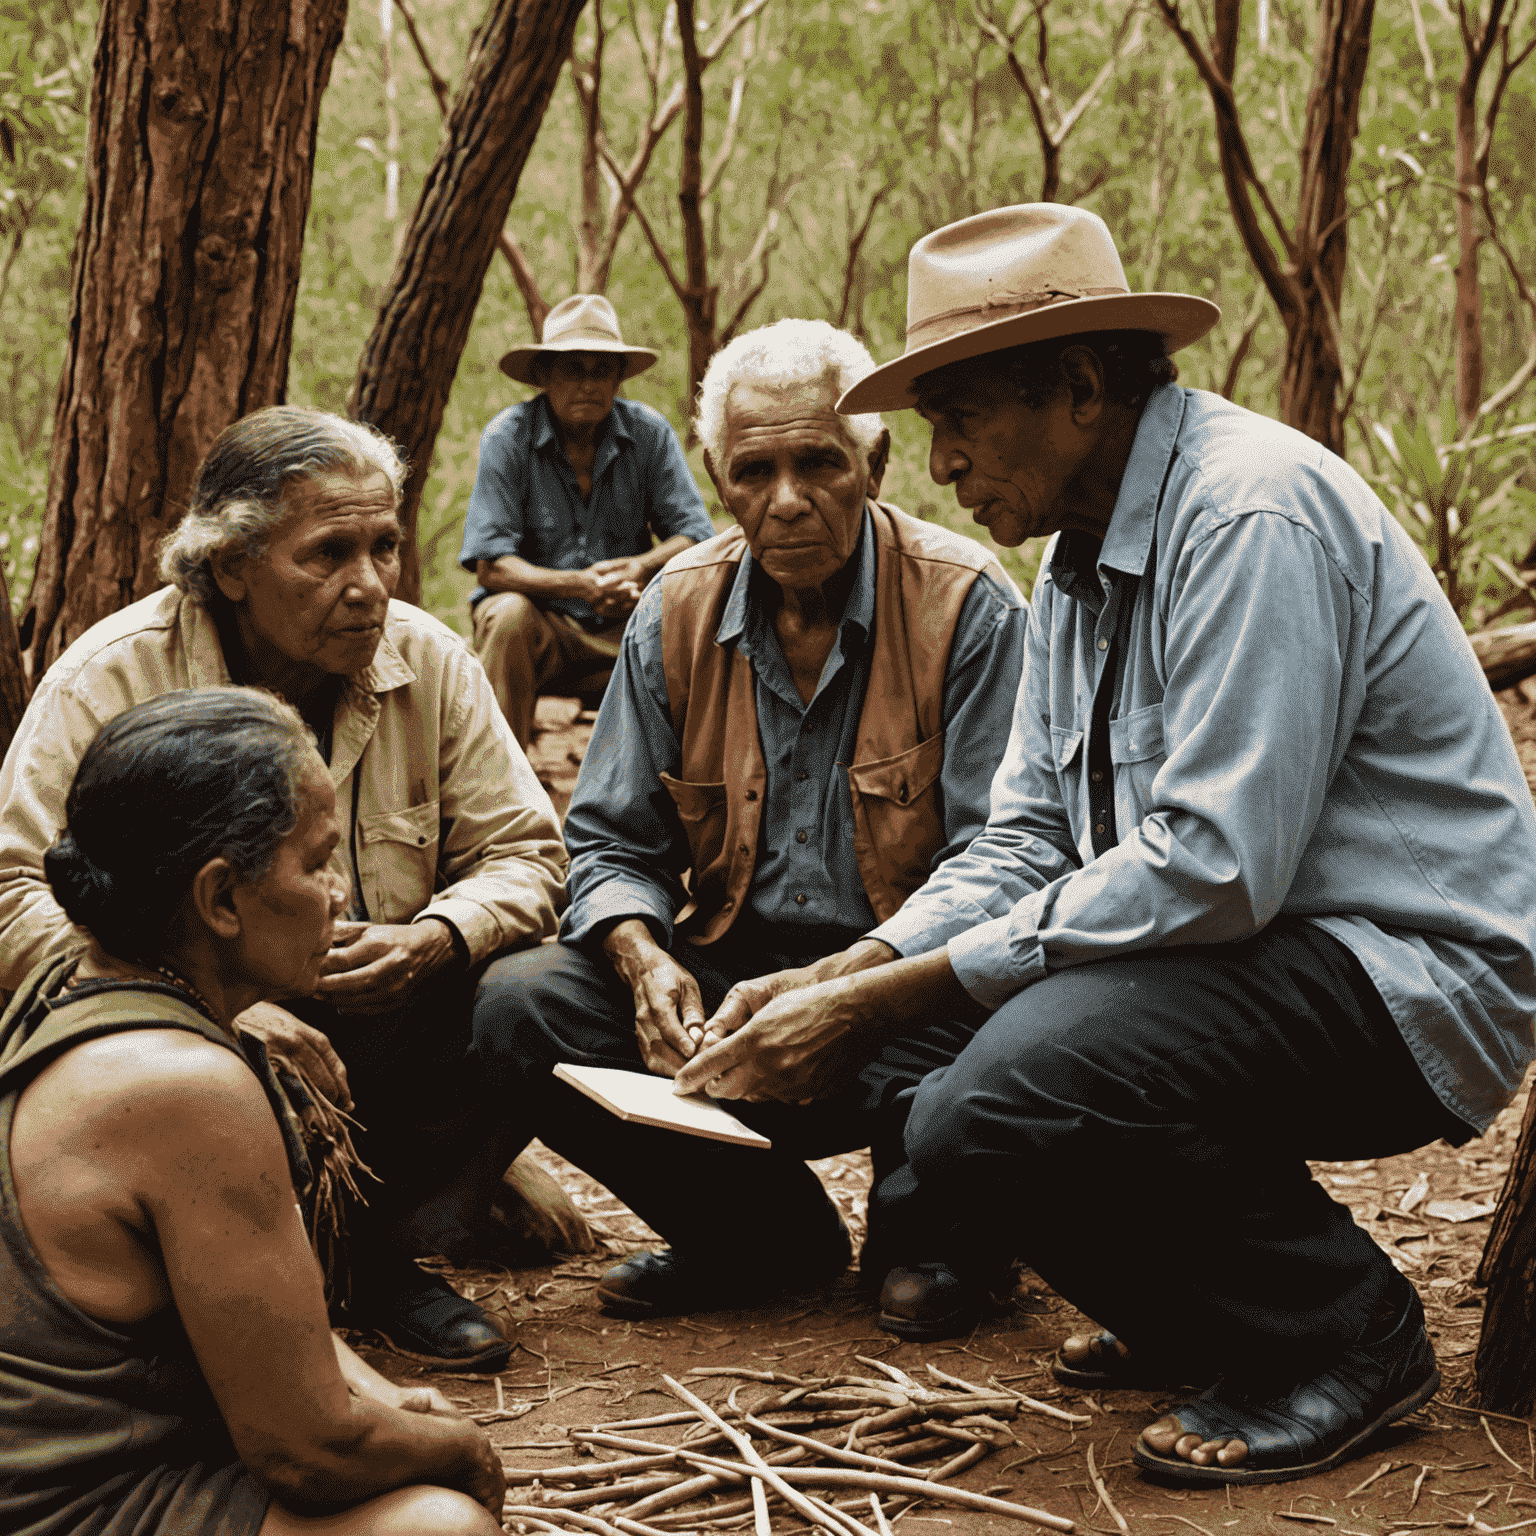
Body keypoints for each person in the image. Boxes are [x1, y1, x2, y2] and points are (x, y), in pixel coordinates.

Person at [669, 205, 1536, 1484]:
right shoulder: (1072, 566)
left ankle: (1350, 1339)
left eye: (961, 419)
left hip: (1401, 972)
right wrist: (852, 971)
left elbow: (1216, 866)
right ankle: (1205, 1319)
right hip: (1240, 964)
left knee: (1000, 1088)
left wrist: (892, 995)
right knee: (958, 1096)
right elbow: (1027, 837)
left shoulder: (1249, 517)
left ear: (1079, 387)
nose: (946, 463)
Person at [469, 318, 1029, 1328]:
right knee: (521, 1002)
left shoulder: (968, 604)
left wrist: (846, 991)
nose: (787, 500)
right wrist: (645, 963)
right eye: (754, 469)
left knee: (932, 1256)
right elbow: (607, 843)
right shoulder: (676, 608)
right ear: (716, 479)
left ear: (874, 461)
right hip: (735, 994)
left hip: (911, 989)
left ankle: (943, 1230)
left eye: (819, 462)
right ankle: (762, 1237)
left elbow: (1005, 864)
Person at [0, 406, 568, 1372]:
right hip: (172, 1047)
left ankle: (373, 1258)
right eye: (329, 554)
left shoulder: (428, 664)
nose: (371, 587)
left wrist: (435, 938)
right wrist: (198, 1011)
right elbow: (14, 894)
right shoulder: (113, 679)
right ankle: (206, 1286)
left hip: (375, 1019)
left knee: (532, 995)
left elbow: (529, 854)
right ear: (230, 566)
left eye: (384, 547)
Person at [0, 688, 505, 1536]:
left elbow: (263, 1317)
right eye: (316, 863)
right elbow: (306, 1452)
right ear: (221, 900)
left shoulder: (63, 992)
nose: (341, 893)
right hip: (66, 1510)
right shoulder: (186, 1089)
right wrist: (461, 1450)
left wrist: (383, 1401)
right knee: (440, 1526)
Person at [460, 293, 717, 747]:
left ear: (620, 379)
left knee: (704, 612)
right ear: (544, 376)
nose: (589, 383)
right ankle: (499, 793)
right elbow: (492, 565)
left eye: (603, 369)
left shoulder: (649, 433)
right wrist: (579, 585)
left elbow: (695, 535)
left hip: (629, 627)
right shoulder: (508, 437)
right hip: (544, 630)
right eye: (573, 368)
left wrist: (639, 568)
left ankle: (685, 792)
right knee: (507, 616)